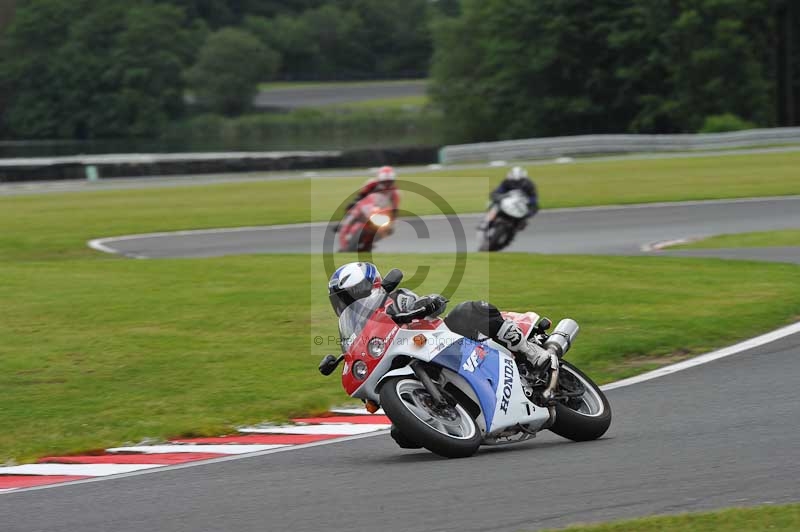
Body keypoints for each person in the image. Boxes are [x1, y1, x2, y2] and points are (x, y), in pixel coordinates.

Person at [327, 262, 552, 368]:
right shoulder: (357, 329)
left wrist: (428, 303)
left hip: (444, 340)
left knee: (467, 310)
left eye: (351, 294)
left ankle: (528, 350)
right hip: (412, 357)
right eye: (342, 298)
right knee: (403, 436)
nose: (348, 301)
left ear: (370, 284)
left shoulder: (394, 299)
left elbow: (425, 302)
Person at [332, 166, 400, 233]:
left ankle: (371, 241)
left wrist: (391, 223)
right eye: (384, 181)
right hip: (368, 206)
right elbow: (361, 195)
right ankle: (344, 224)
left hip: (381, 210)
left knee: (388, 230)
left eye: (389, 181)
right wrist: (355, 202)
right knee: (351, 206)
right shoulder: (371, 183)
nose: (387, 184)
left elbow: (395, 208)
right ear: (379, 179)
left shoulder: (395, 192)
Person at [478, 166, 539, 232]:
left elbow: (533, 197)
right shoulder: (506, 182)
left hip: (520, 204)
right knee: (493, 205)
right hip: (506, 201)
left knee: (531, 211)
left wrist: (530, 204)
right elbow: (498, 191)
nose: (516, 183)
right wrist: (498, 196)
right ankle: (486, 222)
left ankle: (519, 223)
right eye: (514, 181)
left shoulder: (529, 184)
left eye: (519, 181)